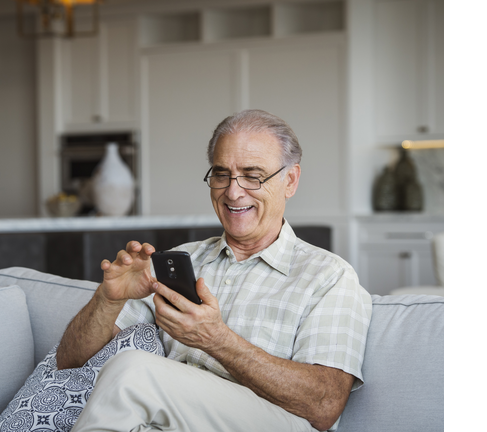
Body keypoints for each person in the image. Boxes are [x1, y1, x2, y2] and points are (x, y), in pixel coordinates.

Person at [55, 109, 371, 432]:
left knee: (133, 369)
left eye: (252, 175)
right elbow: (70, 363)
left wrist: (217, 340)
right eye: (221, 175)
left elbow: (324, 406)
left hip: (273, 422)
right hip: (174, 420)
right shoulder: (181, 261)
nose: (233, 192)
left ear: (289, 181)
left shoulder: (329, 276)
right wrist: (107, 300)